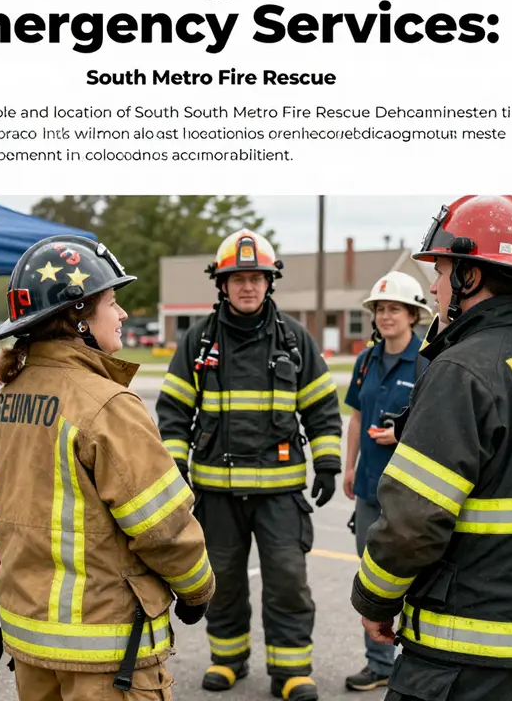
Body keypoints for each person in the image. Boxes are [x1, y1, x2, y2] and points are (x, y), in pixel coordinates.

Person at [350, 195, 512, 701]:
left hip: (469, 647)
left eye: (442, 270)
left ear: (470, 276)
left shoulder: (462, 372)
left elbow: (411, 523)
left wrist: (375, 601)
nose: (433, 285)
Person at [0, 235, 214, 701]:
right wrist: (197, 589)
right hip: (107, 659)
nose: (122, 314)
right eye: (112, 301)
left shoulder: (1, 405)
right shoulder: (107, 406)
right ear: (78, 317)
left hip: (30, 645)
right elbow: (163, 526)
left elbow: (1, 493)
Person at [156, 229, 343, 701]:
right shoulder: (197, 342)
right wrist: (177, 466)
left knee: (287, 583)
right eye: (238, 278)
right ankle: (228, 660)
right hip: (215, 493)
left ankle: (291, 671)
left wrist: (327, 462)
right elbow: (174, 412)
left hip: (280, 495)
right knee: (222, 584)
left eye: (257, 278)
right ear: (222, 284)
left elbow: (321, 407)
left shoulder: (295, 340)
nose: (247, 286)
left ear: (269, 282)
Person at [342, 271, 432, 692]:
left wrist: (401, 434)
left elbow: (438, 425)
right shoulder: (365, 361)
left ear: (413, 314)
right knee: (371, 578)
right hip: (368, 489)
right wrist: (348, 466)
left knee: (417, 578)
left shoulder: (428, 361)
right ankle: (378, 663)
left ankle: (418, 663)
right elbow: (357, 418)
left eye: (393, 308)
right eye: (380, 309)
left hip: (411, 494)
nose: (385, 316)